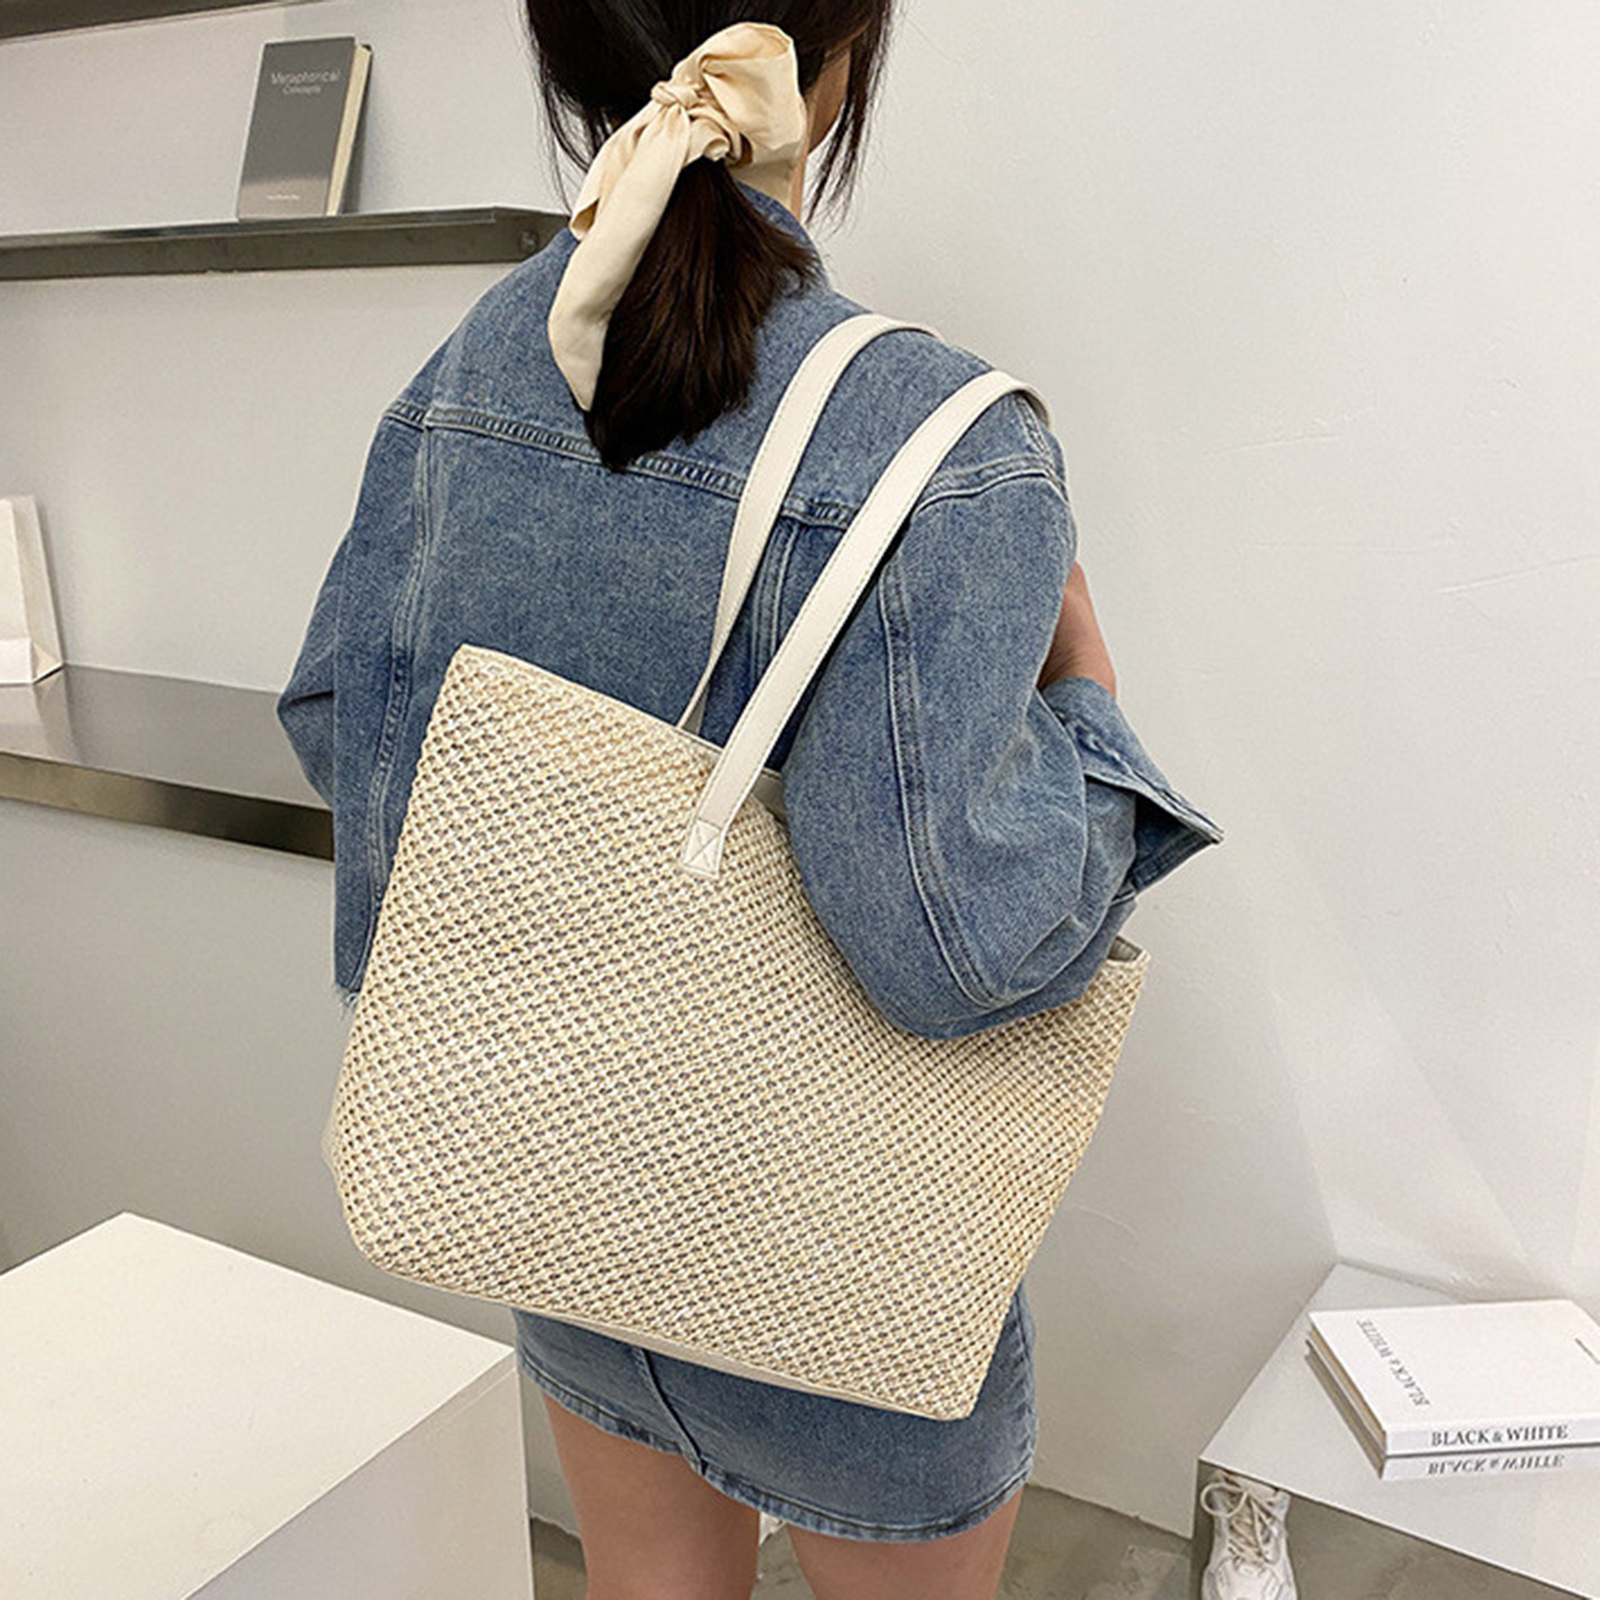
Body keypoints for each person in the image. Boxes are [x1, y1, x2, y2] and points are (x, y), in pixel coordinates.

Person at [278, 4, 1221, 1596]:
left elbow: (341, 722)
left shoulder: (473, 369)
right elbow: (950, 944)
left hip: (562, 1191)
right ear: (832, 64)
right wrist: (1095, 720)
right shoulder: (948, 439)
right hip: (842, 1279)